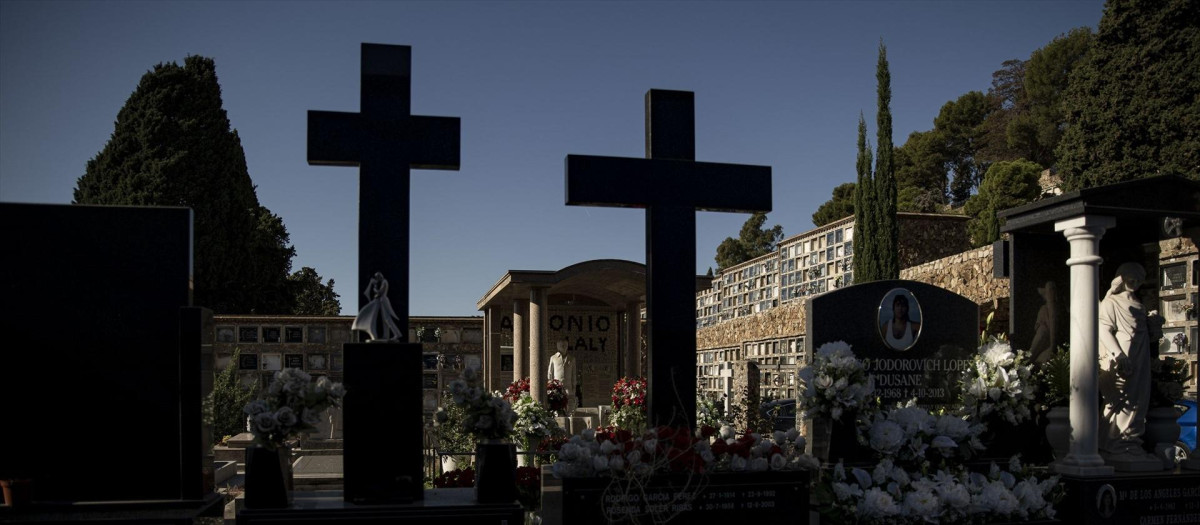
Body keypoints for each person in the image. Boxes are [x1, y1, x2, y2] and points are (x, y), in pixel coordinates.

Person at [1098, 262, 1163, 461]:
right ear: (1121, 279)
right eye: (1130, 279)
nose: (1134, 283)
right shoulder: (1111, 302)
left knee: (1139, 399)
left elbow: (1148, 336)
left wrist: (1155, 327)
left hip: (1141, 357)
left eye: (1138, 280)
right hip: (1123, 358)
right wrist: (1119, 355)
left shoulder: (1139, 305)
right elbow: (1103, 330)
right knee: (1120, 400)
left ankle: (1131, 443)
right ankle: (1114, 444)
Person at [350, 272, 400, 341]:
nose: (377, 279)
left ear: (380, 276)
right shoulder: (383, 281)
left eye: (377, 277)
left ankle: (397, 334)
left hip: (384, 301)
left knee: (387, 319)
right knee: (384, 319)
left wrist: (375, 288)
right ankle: (386, 336)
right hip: (382, 300)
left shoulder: (384, 281)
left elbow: (380, 292)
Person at [1029, 281, 1058, 364]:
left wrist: (1053, 346)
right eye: (1049, 291)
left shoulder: (1058, 309)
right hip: (1043, 334)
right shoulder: (1044, 309)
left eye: (1052, 291)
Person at [547, 339, 577, 407]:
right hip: (557, 386)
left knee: (570, 403)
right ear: (558, 346)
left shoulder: (572, 358)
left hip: (568, 386)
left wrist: (574, 387)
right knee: (557, 403)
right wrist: (550, 385)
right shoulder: (553, 358)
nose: (564, 347)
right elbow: (550, 372)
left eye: (565, 345)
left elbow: (573, 374)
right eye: (561, 345)